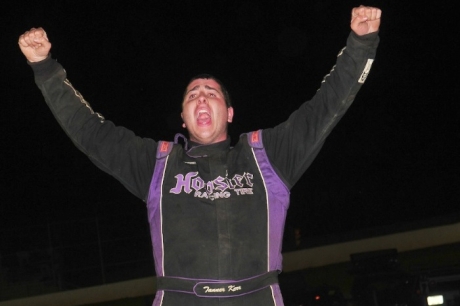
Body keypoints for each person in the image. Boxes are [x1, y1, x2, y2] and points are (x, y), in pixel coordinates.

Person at [18, 5, 381, 306]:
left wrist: (361, 44)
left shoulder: (267, 157)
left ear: (229, 112)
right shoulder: (158, 165)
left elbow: (325, 108)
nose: (202, 98)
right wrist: (46, 70)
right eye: (192, 95)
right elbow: (91, 132)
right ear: (183, 117)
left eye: (211, 93)